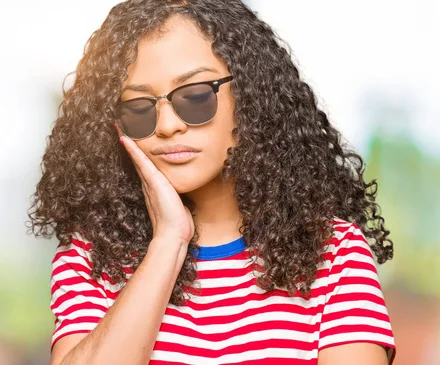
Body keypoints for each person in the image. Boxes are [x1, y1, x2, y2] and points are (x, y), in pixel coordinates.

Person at [27, 0, 396, 364]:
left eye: (195, 96)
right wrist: (168, 241)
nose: (168, 125)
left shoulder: (334, 253)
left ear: (251, 96)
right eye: (139, 108)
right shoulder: (92, 258)